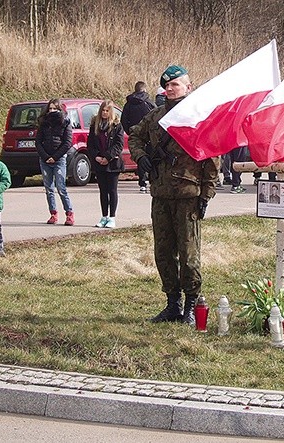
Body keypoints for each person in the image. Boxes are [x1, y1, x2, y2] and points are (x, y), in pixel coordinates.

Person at [129, 65, 220, 325]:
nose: (169, 89)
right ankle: (172, 304)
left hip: (188, 194)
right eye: (166, 86)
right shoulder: (155, 116)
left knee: (189, 253)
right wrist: (141, 157)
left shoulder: (197, 115)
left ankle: (191, 305)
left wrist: (206, 193)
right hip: (161, 193)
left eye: (175, 85)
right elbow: (134, 137)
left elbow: (212, 156)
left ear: (188, 87)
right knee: (163, 253)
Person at [36, 98, 74, 225]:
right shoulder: (44, 122)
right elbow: (38, 142)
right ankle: (53, 213)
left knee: (61, 187)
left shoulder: (65, 122)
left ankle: (69, 213)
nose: (52, 111)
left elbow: (67, 143)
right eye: (50, 108)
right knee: (49, 188)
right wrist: (45, 156)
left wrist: (55, 157)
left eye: (54, 109)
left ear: (60, 110)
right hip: (45, 159)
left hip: (59, 159)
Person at [88, 100, 125, 229]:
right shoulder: (95, 125)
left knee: (112, 190)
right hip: (99, 163)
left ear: (111, 112)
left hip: (113, 163)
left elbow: (119, 145)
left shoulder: (117, 125)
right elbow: (91, 144)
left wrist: (107, 157)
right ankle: (104, 216)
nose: (104, 113)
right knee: (103, 191)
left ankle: (112, 217)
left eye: (107, 111)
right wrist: (97, 157)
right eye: (103, 110)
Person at [121, 81, 156, 193]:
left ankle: (142, 183)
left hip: (135, 135)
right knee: (152, 158)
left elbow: (123, 120)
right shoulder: (149, 103)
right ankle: (152, 181)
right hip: (149, 136)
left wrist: (131, 132)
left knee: (140, 158)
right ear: (144, 90)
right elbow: (156, 118)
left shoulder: (128, 104)